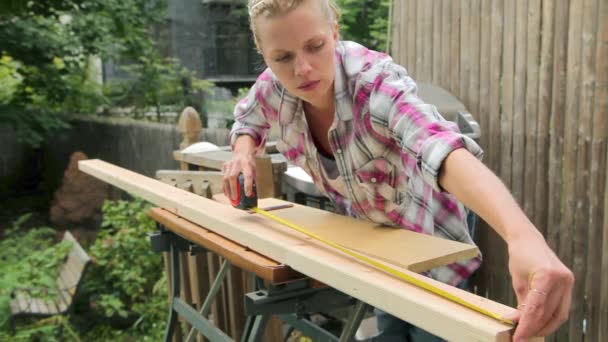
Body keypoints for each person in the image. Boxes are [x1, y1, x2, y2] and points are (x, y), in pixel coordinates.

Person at [222, 0, 574, 341]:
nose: (302, 69)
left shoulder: (374, 83)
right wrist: (242, 150)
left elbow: (437, 144)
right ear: (263, 52)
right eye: (282, 57)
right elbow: (247, 118)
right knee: (389, 324)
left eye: (315, 46)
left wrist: (521, 235)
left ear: (334, 30)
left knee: (429, 330)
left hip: (432, 227)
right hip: (378, 234)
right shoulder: (272, 88)